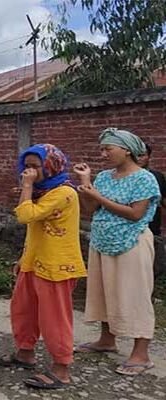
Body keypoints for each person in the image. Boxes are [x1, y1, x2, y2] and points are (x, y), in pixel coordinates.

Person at [0, 144, 86, 390]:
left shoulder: (64, 193)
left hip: (57, 265)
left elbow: (25, 216)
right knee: (23, 309)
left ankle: (61, 369)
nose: (29, 172)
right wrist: (23, 259)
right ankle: (25, 353)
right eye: (27, 166)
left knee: (54, 318)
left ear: (51, 165)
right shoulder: (44, 191)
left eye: (35, 166)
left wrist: (26, 187)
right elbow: (33, 229)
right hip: (34, 262)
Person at [73, 128, 160, 376]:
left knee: (135, 295)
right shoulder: (104, 177)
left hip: (132, 242)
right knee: (104, 291)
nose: (103, 154)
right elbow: (90, 209)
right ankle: (106, 340)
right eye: (102, 149)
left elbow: (135, 214)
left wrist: (98, 196)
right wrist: (86, 183)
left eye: (108, 149)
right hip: (102, 241)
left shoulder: (145, 178)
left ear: (127, 150)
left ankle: (141, 354)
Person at [138, 143, 166, 235]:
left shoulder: (157, 176)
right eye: (135, 155)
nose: (138, 158)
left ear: (149, 157)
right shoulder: (120, 177)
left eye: (142, 155)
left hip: (152, 228)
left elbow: (163, 200)